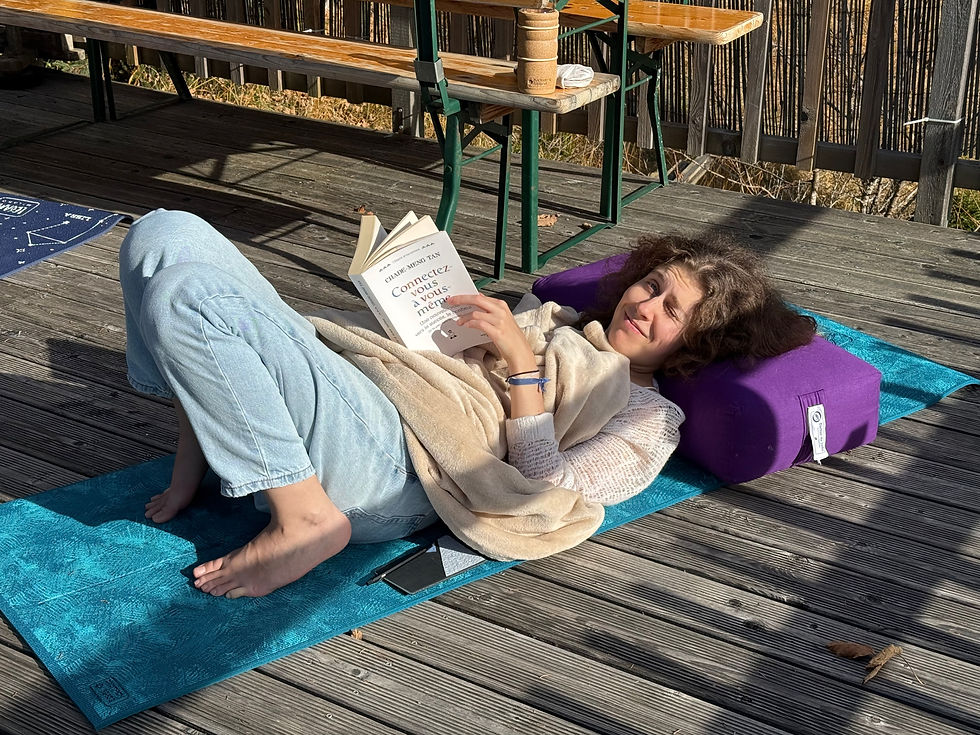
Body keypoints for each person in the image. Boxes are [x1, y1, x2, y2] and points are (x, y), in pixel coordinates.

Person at [120, 209, 815, 599]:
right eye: (653, 285)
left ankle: (306, 519)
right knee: (166, 233)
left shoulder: (651, 417)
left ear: (697, 345)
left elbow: (543, 490)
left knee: (189, 295)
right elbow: (445, 369)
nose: (648, 306)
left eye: (674, 312)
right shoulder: (563, 323)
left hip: (408, 469)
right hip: (376, 394)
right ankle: (202, 425)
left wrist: (519, 362)